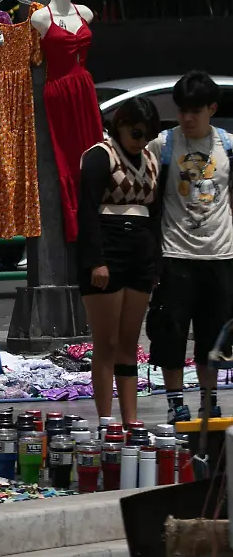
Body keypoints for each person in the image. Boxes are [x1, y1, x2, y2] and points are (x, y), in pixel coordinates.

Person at [146, 71, 233, 423]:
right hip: (175, 255)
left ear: (212, 108)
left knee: (213, 338)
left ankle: (209, 401)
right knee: (171, 334)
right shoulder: (163, 145)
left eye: (195, 111)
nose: (187, 118)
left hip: (220, 255)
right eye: (182, 110)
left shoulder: (227, 146)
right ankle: (175, 402)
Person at [76, 98, 161, 425]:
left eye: (148, 134)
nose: (141, 140)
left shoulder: (151, 159)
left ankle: (131, 420)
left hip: (141, 252)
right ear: (121, 124)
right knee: (106, 343)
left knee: (129, 342)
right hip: (108, 249)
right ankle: (105, 420)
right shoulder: (100, 155)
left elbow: (155, 215)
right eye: (136, 132)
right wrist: (95, 261)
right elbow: (87, 211)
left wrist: (155, 263)